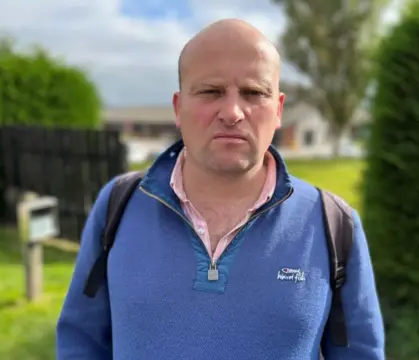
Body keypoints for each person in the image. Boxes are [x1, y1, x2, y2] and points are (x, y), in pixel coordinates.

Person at [56, 18, 385, 360]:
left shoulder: (333, 223)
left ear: (279, 110)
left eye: (253, 93)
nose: (232, 112)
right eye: (211, 91)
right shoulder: (119, 205)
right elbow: (81, 340)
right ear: (178, 107)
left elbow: (359, 352)